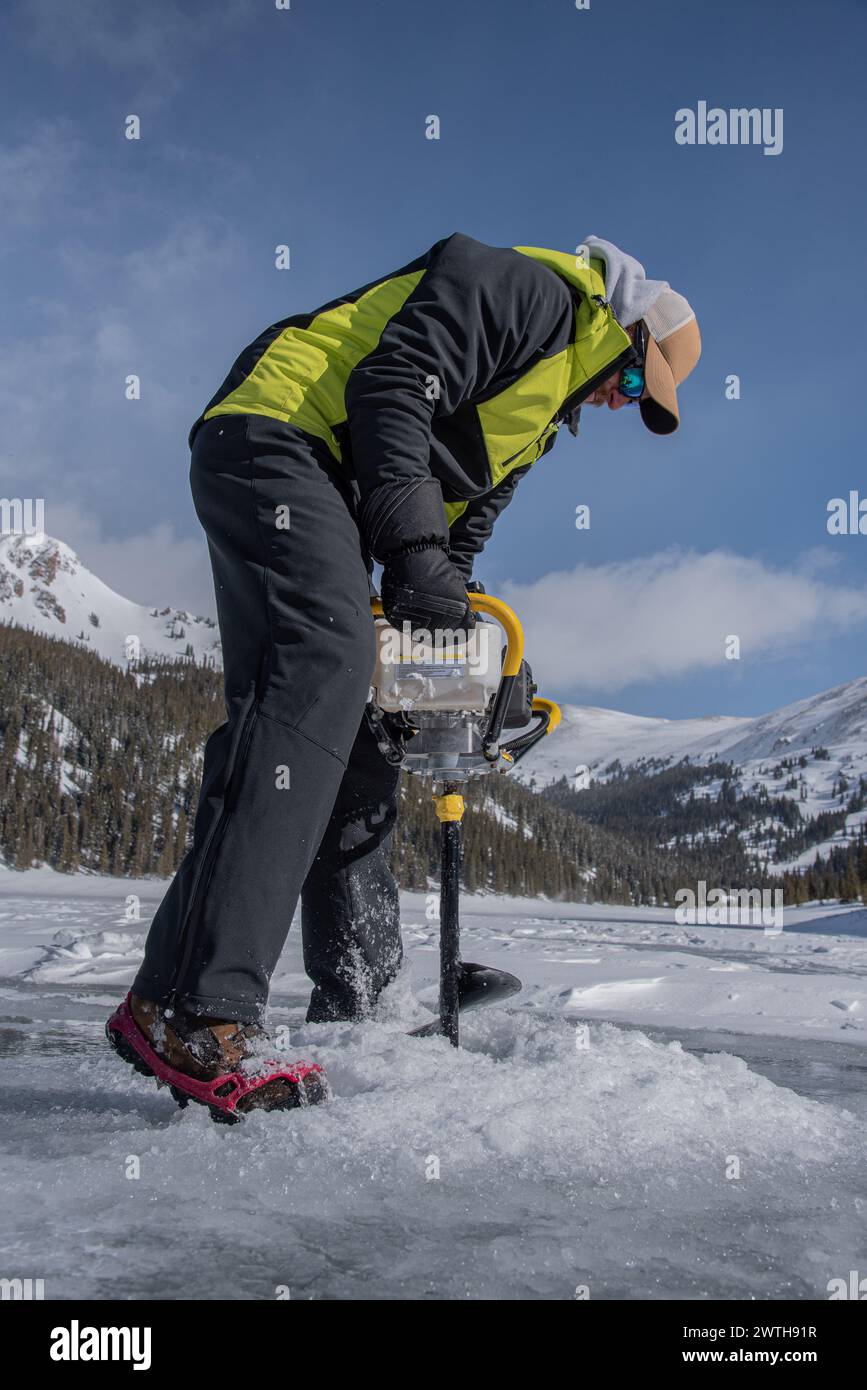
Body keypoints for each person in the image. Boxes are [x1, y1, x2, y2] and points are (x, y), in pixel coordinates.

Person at [106, 232, 701, 1116]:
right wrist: (413, 556)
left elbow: (456, 547)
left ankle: (349, 1002)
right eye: (628, 384)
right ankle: (202, 1009)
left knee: (358, 738)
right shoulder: (531, 294)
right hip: (282, 435)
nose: (620, 404)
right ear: (627, 335)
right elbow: (391, 388)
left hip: (336, 493)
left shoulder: (533, 425)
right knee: (317, 675)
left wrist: (476, 639)